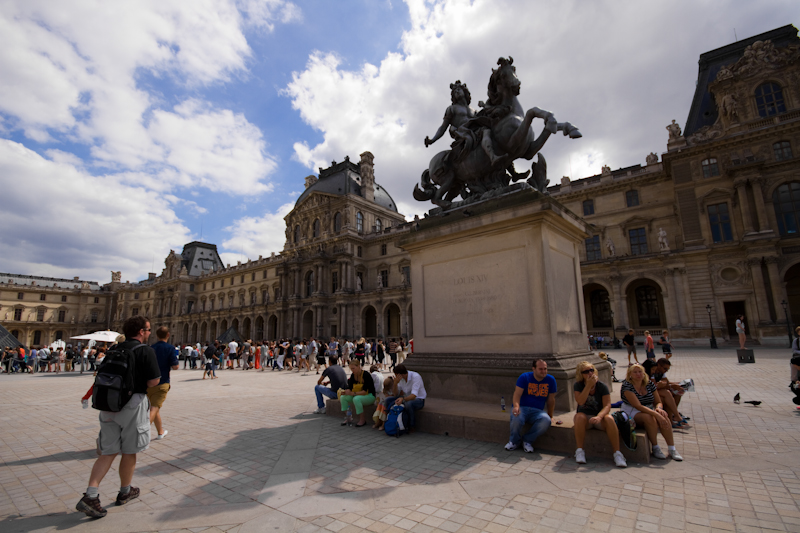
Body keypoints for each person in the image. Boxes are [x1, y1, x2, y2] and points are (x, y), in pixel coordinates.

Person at [75, 316, 161, 518]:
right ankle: (125, 491)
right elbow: (153, 382)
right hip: (132, 404)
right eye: (148, 330)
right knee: (130, 451)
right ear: (141, 332)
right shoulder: (145, 351)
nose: (149, 333)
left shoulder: (114, 349)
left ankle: (91, 494)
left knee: (107, 452)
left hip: (108, 404)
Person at [621, 364, 682, 461]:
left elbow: (658, 401)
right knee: (650, 418)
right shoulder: (627, 386)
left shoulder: (649, 384)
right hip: (632, 410)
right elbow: (638, 406)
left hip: (648, 408)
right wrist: (655, 414)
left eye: (640, 372)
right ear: (630, 374)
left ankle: (672, 448)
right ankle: (655, 447)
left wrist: (659, 409)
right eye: (635, 372)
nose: (638, 374)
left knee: (664, 416)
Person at [573, 361, 627, 467]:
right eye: (586, 372)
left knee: (609, 418)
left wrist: (599, 416)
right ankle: (580, 451)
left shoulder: (602, 386)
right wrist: (588, 386)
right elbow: (580, 401)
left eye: (591, 370)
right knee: (579, 417)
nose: (590, 373)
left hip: (599, 417)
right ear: (581, 374)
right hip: (585, 418)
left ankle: (617, 453)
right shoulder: (578, 385)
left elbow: (607, 405)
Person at [505, 359, 557, 453]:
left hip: (537, 411)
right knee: (516, 419)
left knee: (546, 420)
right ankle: (514, 441)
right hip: (522, 408)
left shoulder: (551, 380)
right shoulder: (524, 377)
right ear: (534, 369)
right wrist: (516, 406)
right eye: (540, 369)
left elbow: (551, 400)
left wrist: (550, 415)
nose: (543, 371)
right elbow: (517, 394)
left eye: (545, 369)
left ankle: (527, 440)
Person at [147, 326, 179, 440]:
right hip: (162, 382)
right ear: (168, 335)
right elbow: (175, 366)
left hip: (149, 383)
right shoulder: (170, 348)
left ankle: (160, 432)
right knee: (154, 408)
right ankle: (141, 432)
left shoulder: (151, 348)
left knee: (155, 408)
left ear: (156, 335)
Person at [647, 358, 689, 428]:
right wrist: (669, 385)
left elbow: (666, 382)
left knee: (677, 393)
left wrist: (676, 384)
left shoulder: (661, 372)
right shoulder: (652, 371)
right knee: (666, 393)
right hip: (650, 392)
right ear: (659, 365)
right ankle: (676, 416)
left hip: (656, 391)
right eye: (665, 368)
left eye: (667, 369)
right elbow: (654, 386)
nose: (666, 371)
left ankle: (672, 417)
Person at [385, 363, 427, 431]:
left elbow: (413, 396)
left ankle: (411, 426)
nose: (395, 377)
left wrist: (403, 399)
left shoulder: (415, 377)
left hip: (418, 400)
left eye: (396, 375)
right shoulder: (400, 380)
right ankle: (390, 422)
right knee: (388, 400)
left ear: (400, 375)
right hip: (405, 397)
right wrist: (395, 384)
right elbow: (395, 394)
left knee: (408, 404)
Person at [340, 359, 376, 427]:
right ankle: (348, 417)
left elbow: (365, 391)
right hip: (357, 395)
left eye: (353, 368)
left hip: (369, 396)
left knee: (356, 399)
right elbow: (350, 387)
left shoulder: (366, 375)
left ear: (358, 366)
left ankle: (362, 420)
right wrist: (345, 392)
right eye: (351, 369)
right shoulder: (353, 375)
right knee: (343, 398)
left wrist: (353, 394)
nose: (352, 370)